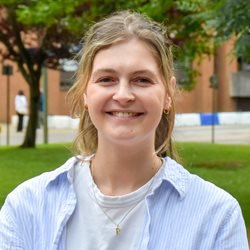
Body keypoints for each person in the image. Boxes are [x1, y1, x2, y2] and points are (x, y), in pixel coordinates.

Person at [0, 11, 248, 250]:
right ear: (86, 92)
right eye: (106, 79)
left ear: (168, 93)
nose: (123, 95)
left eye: (142, 80)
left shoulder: (216, 216)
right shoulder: (27, 207)